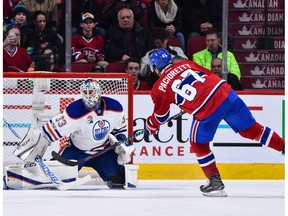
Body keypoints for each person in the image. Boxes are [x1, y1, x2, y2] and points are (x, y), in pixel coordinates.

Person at [145, 48, 284, 197]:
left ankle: (215, 183)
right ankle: (284, 146)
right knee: (252, 130)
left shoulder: (158, 88)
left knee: (199, 145)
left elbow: (161, 116)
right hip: (225, 92)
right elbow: (208, 76)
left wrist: (150, 126)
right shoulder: (186, 63)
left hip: (207, 109)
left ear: (155, 68)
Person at [13, 79, 136, 189]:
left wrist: (122, 143)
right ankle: (24, 175)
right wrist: (32, 150)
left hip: (103, 152)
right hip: (76, 152)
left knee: (121, 180)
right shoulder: (74, 111)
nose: (88, 96)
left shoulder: (115, 107)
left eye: (91, 92)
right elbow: (47, 133)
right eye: (85, 92)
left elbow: (120, 130)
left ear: (99, 93)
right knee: (54, 178)